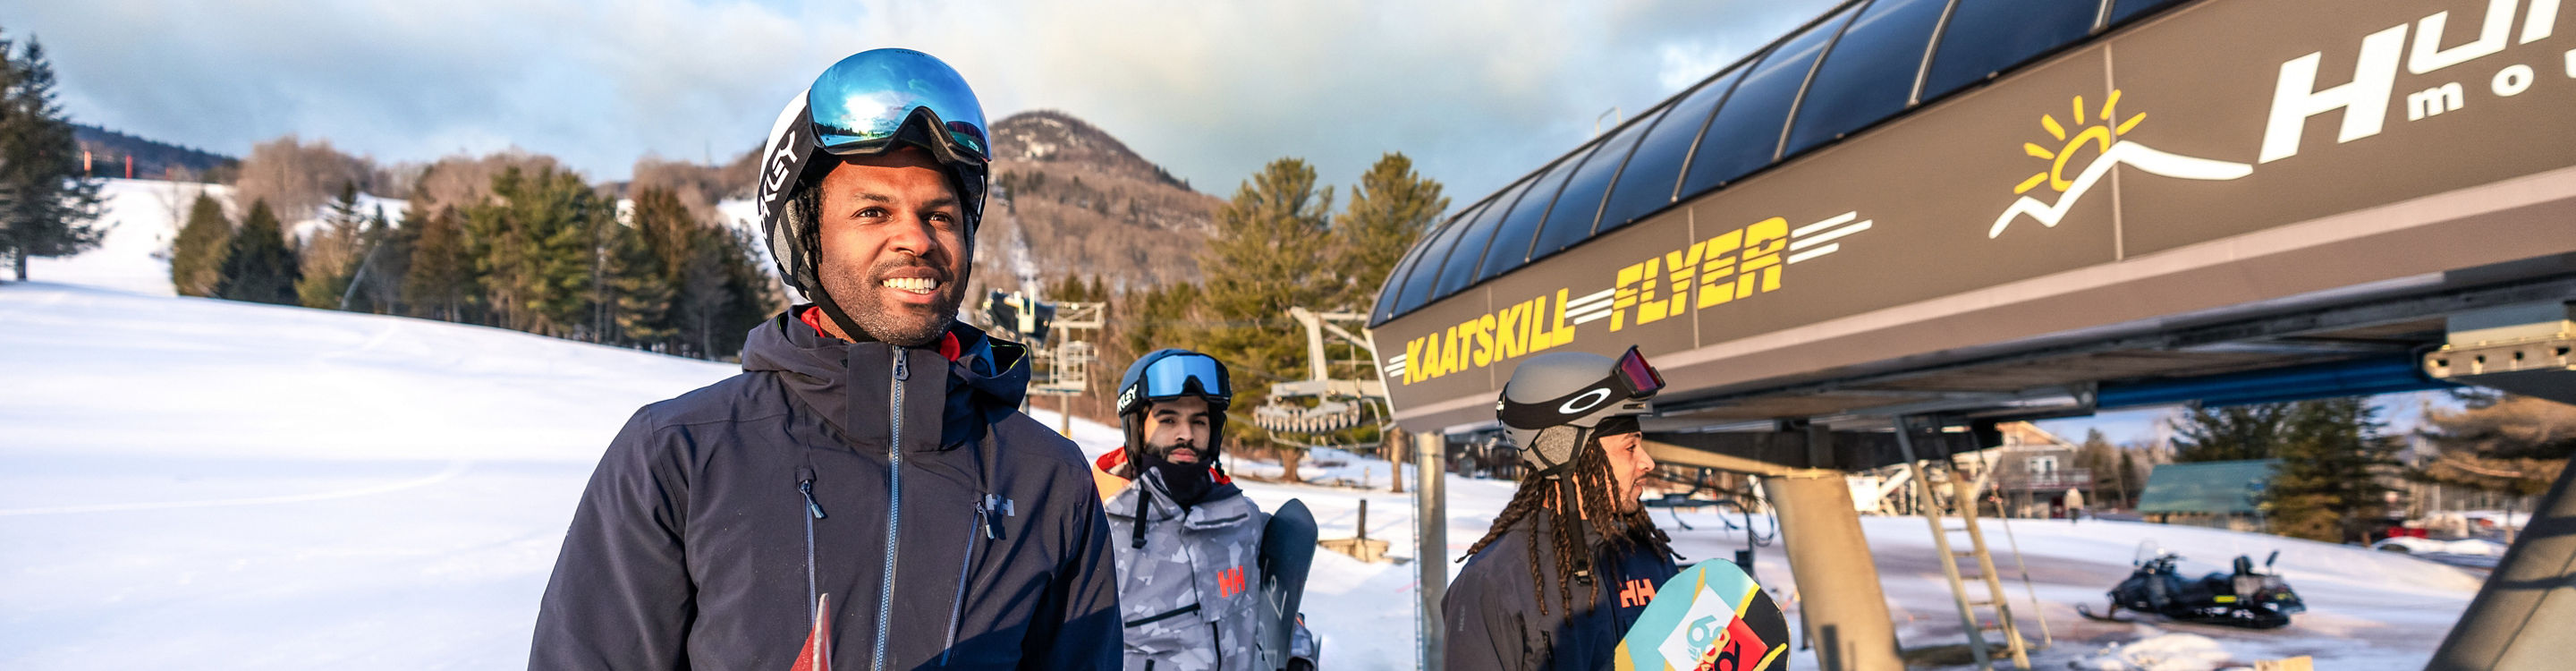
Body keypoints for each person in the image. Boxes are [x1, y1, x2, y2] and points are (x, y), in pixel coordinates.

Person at [530, 48, 1120, 671]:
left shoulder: (1047, 479)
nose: (916, 240)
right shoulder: (680, 453)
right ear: (805, 236)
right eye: (873, 212)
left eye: (940, 215)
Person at [1443, 347, 1682, 671]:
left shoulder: (1648, 557)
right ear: (1566, 453)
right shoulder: (1494, 582)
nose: (1647, 462)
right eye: (1630, 447)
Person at [1089, 349, 1292, 671]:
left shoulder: (1243, 519)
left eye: (1199, 421)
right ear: (1135, 427)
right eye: (1168, 419)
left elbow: (1280, 611)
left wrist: (1298, 655)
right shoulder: (1095, 530)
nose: (1186, 434)